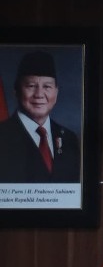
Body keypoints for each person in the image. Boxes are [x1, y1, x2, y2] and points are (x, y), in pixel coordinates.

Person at [0, 51, 82, 183]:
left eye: (47, 86)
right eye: (31, 86)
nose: (39, 94)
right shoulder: (2, 135)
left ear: (56, 93)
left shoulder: (69, 139)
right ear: (16, 91)